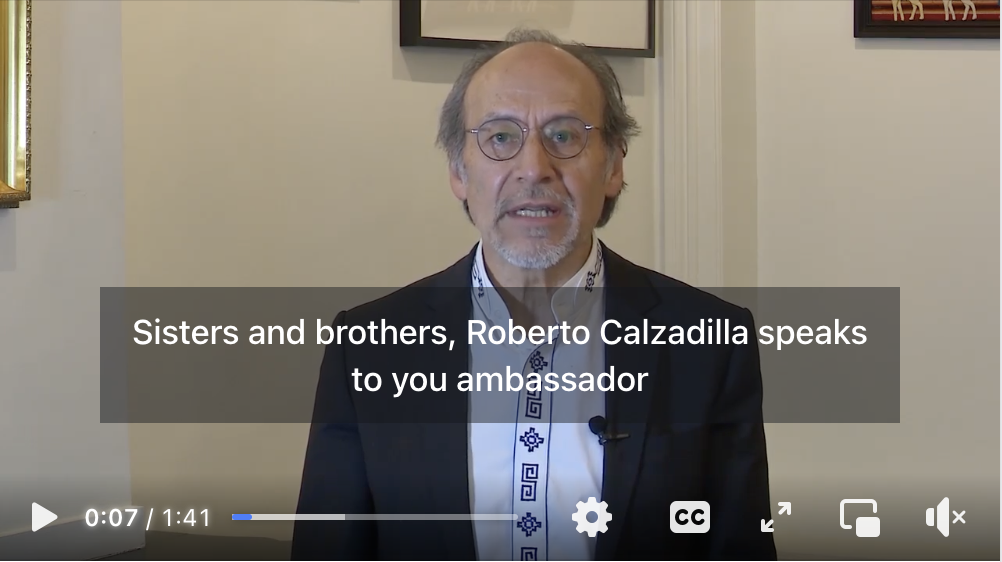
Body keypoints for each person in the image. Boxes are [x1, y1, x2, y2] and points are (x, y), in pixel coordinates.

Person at [291, 28, 777, 561]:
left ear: (613, 166)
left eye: (564, 135)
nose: (534, 168)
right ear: (458, 170)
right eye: (501, 138)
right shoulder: (368, 347)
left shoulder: (709, 342)